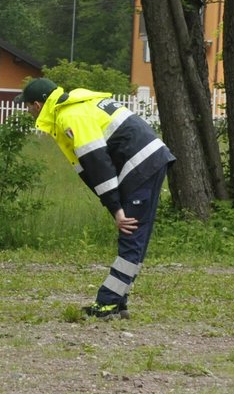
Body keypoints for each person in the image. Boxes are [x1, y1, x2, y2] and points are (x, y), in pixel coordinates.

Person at [18, 77, 174, 320]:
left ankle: (108, 305)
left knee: (130, 233)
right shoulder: (77, 103)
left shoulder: (70, 117)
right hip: (149, 160)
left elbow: (97, 164)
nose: (28, 111)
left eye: (28, 106)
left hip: (141, 165)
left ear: (37, 105)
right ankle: (118, 302)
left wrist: (116, 209)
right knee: (134, 235)